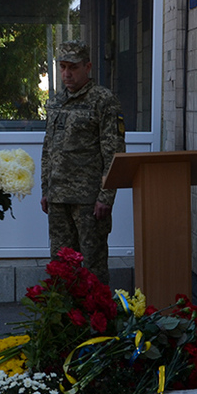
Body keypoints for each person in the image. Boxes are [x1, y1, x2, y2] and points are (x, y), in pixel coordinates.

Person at [40, 40, 125, 285]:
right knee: (61, 266)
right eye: (62, 67)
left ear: (87, 67)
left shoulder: (103, 101)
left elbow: (114, 152)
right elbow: (49, 148)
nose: (66, 73)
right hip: (58, 200)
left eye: (73, 67)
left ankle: (96, 320)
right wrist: (46, 189)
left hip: (88, 202)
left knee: (93, 267)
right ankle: (64, 320)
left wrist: (105, 197)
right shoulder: (56, 101)